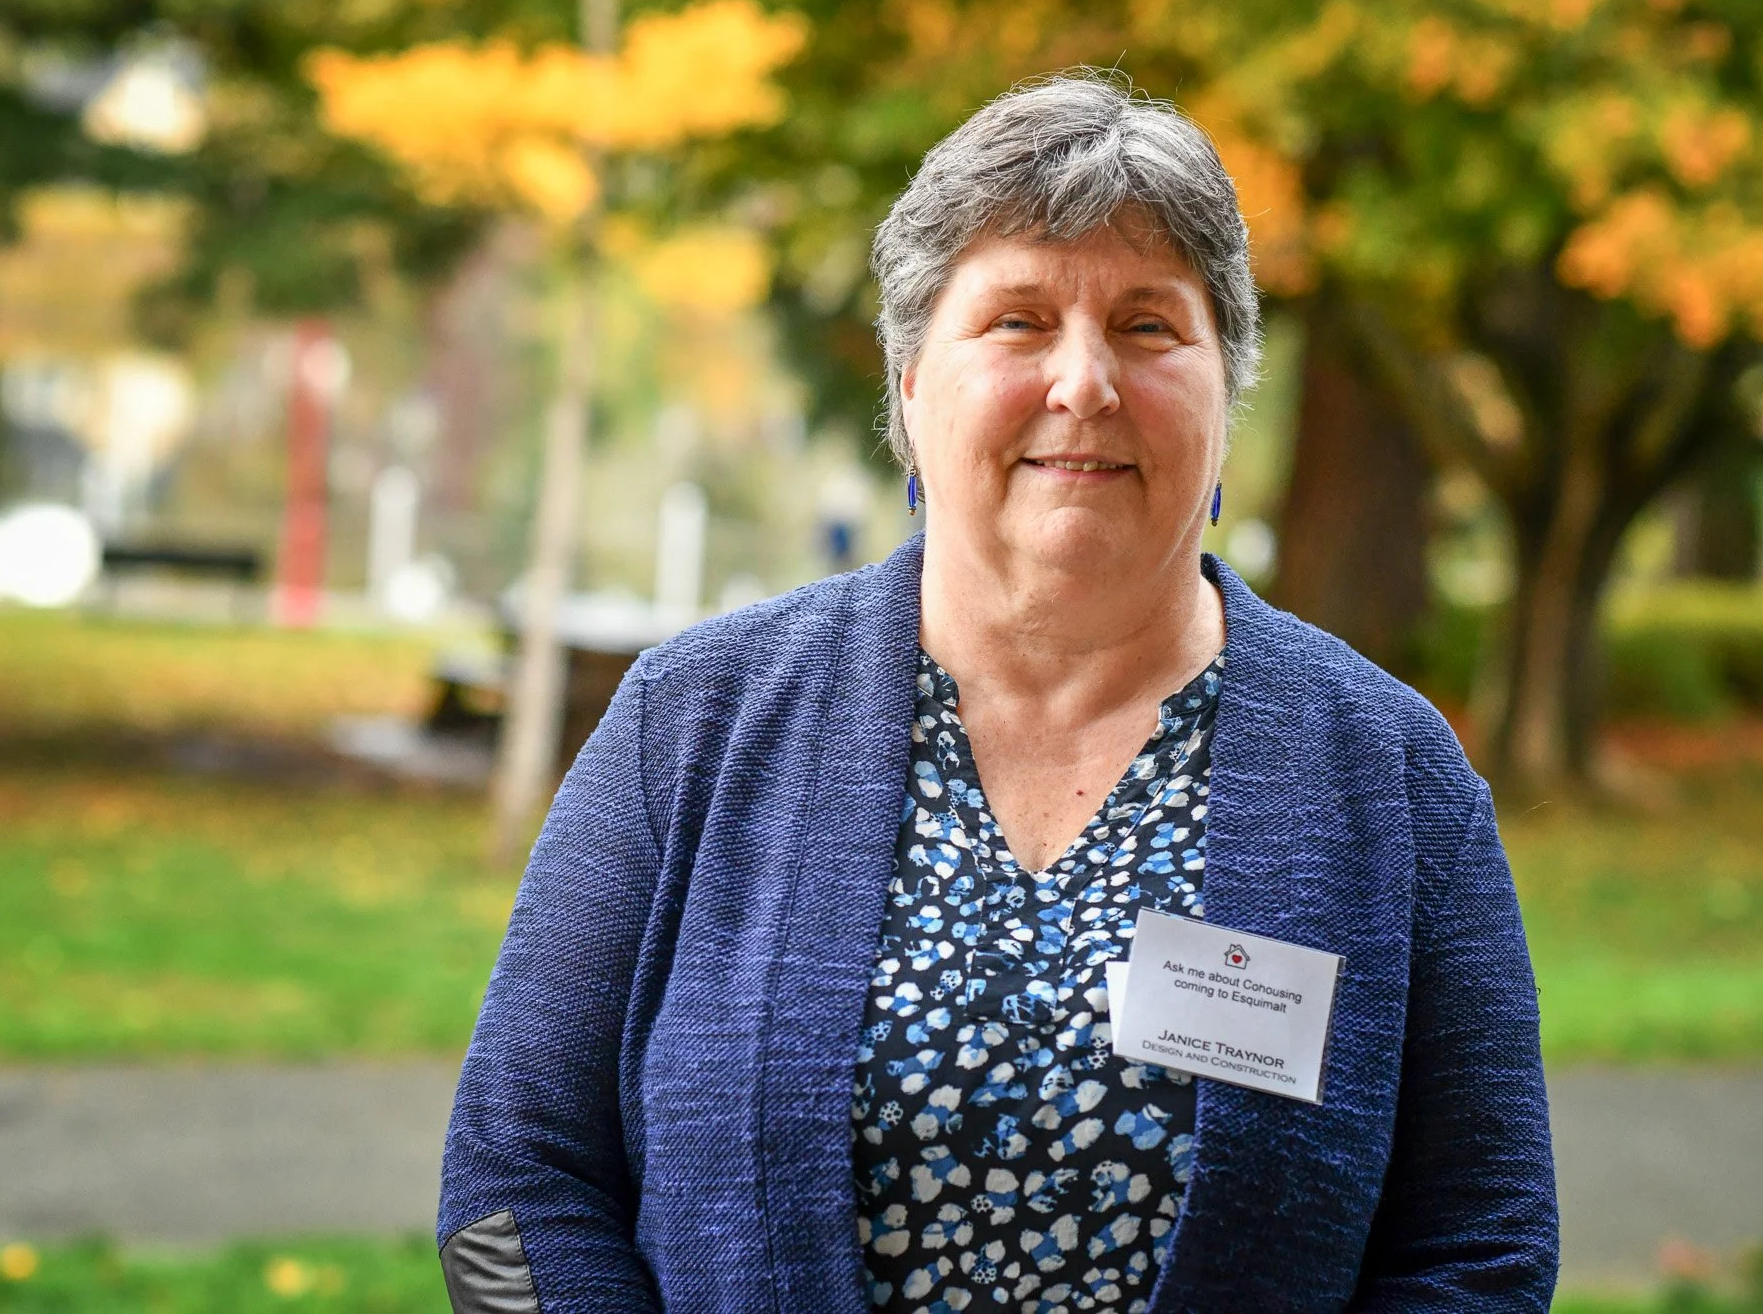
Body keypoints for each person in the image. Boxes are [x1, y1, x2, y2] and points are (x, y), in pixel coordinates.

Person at [437, 74, 1558, 1314]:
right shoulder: (690, 727)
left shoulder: (1392, 782)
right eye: (1017, 322)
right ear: (912, 385)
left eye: (1147, 326)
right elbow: (508, 1193)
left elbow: (1482, 1251)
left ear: (1223, 392)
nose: (1084, 383)